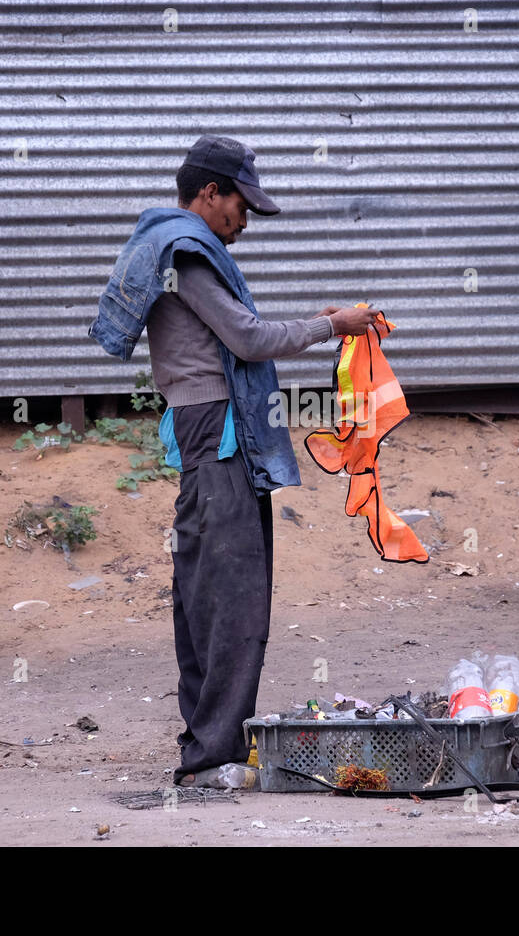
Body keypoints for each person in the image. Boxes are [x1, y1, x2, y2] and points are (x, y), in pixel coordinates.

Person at [88, 135, 376, 787]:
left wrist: (321, 320)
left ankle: (207, 742)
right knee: (235, 594)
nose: (244, 220)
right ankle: (212, 756)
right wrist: (334, 325)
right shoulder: (188, 253)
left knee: (204, 585)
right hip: (218, 426)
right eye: (240, 205)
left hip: (204, 425)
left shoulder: (178, 247)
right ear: (209, 194)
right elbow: (247, 340)